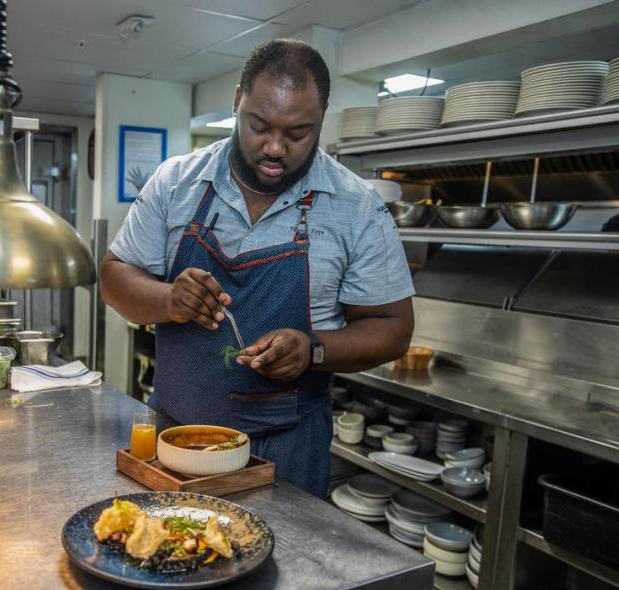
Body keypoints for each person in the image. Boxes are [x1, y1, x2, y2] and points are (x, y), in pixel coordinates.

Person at [100, 39, 415, 498]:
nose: (274, 147)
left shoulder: (357, 208)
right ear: (237, 99)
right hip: (174, 438)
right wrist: (167, 299)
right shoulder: (177, 182)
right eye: (259, 125)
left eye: (298, 133)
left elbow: (394, 327)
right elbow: (113, 275)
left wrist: (313, 349)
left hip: (287, 451)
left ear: (323, 115)